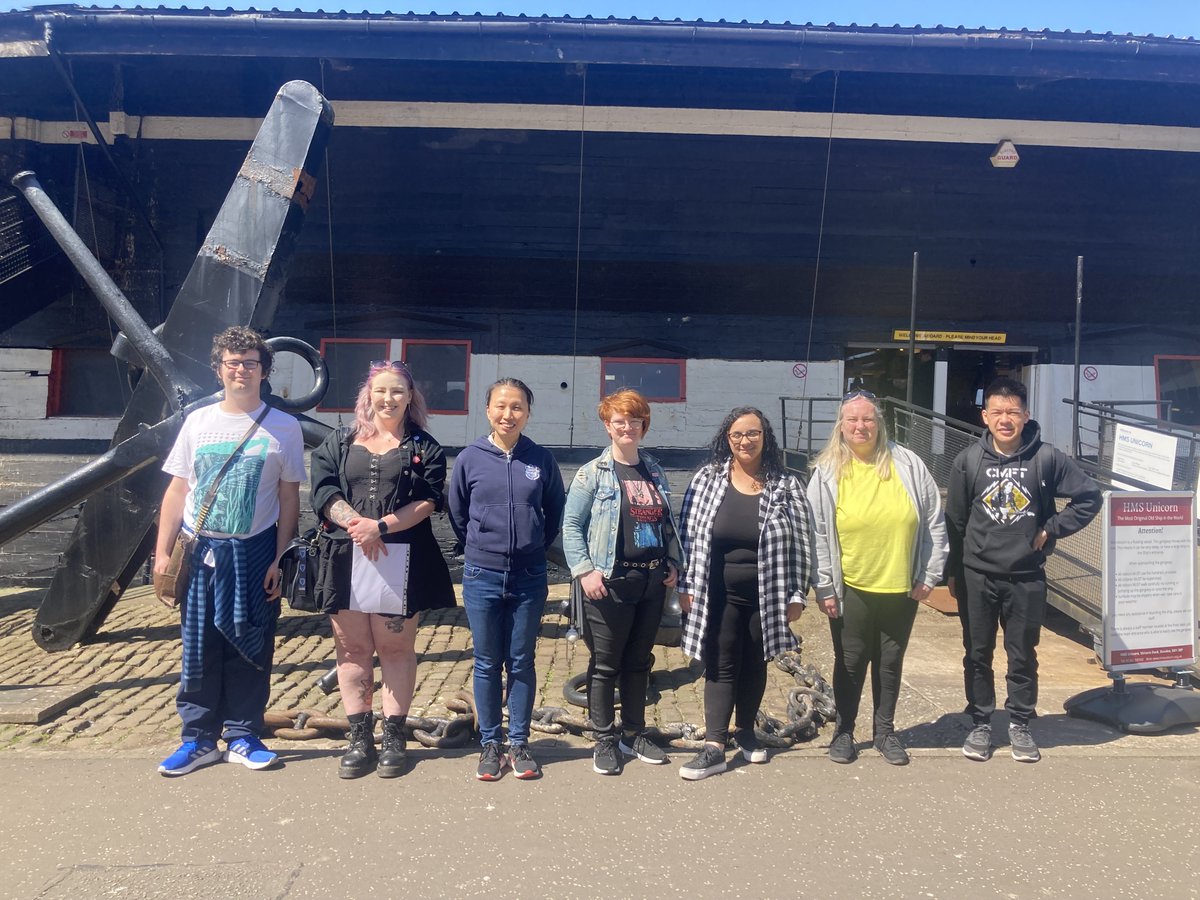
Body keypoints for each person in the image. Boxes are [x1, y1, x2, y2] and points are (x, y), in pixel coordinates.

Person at [154, 326, 304, 776]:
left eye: (250, 363)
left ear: (263, 371)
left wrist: (279, 558)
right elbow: (178, 491)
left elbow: (288, 497)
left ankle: (242, 734)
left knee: (250, 645)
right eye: (233, 363)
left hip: (254, 552)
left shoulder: (284, 427)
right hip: (201, 551)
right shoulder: (197, 422)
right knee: (198, 647)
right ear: (219, 370)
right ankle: (198, 739)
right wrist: (162, 555)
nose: (241, 370)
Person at [310, 360, 456, 779]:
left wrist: (381, 526)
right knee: (352, 650)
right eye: (381, 391)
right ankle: (359, 737)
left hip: (401, 557)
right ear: (368, 395)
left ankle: (393, 734)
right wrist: (356, 525)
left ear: (410, 397)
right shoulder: (339, 441)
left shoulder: (424, 447)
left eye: (397, 391)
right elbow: (324, 490)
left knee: (395, 648)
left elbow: (428, 499)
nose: (388, 399)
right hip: (344, 554)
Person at [947, 377, 1101, 763]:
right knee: (977, 653)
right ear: (984, 416)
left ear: (1026, 415)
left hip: (1027, 577)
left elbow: (1088, 497)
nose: (1005, 419)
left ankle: (1020, 723)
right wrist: (952, 571)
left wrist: (1052, 528)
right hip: (977, 575)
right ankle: (980, 721)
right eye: (997, 412)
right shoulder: (967, 461)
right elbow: (956, 521)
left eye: (1012, 412)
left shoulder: (1046, 458)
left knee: (1022, 655)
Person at [806, 390, 948, 766]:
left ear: (880, 423)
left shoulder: (909, 464)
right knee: (850, 661)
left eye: (868, 419)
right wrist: (824, 585)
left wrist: (930, 573)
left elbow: (934, 520)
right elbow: (817, 534)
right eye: (852, 420)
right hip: (851, 586)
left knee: (890, 660)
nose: (860, 426)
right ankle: (845, 731)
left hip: (902, 584)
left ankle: (885, 732)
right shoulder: (826, 472)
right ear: (841, 425)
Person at [675, 407, 815, 781]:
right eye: (737, 435)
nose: (745, 441)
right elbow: (686, 537)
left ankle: (747, 734)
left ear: (764, 437)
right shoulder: (707, 479)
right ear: (727, 439)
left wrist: (797, 594)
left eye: (752, 433)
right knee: (720, 662)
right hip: (717, 591)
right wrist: (685, 586)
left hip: (768, 591)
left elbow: (803, 544)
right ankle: (715, 747)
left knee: (756, 661)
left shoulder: (786, 485)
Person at [448, 377, 566, 781]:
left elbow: (554, 510)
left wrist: (533, 543)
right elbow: (458, 514)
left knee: (520, 661)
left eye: (517, 407)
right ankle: (490, 744)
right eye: (501, 406)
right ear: (488, 410)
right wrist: (483, 544)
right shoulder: (469, 458)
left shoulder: (541, 460)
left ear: (528, 413)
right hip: (481, 573)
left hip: (530, 575)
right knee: (486, 661)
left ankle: (519, 742)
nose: (508, 414)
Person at [562, 389, 685, 776]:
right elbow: (570, 527)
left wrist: (673, 562)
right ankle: (604, 739)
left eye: (635, 420)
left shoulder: (653, 469)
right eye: (620, 420)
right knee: (605, 664)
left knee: (639, 662)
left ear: (643, 425)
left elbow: (666, 523)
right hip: (610, 582)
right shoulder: (592, 473)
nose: (627, 426)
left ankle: (634, 732)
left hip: (650, 581)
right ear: (607, 425)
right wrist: (584, 570)